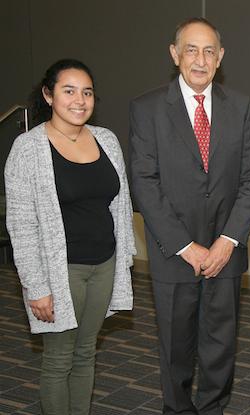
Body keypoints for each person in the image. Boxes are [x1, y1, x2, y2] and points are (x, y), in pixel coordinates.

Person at [129, 17, 250, 415]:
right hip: (174, 252)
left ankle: (214, 408)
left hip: (227, 250)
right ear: (174, 54)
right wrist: (187, 247)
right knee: (176, 346)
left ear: (220, 57)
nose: (200, 60)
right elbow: (145, 184)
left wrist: (227, 241)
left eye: (209, 51)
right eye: (191, 49)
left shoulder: (241, 107)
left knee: (221, 345)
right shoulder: (147, 108)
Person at [4, 58, 135, 415]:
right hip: (62, 273)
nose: (79, 100)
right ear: (48, 95)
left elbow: (120, 206)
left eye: (87, 92)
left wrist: (123, 260)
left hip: (104, 265)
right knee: (59, 359)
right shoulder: (28, 148)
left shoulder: (106, 139)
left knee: (86, 352)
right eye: (69, 90)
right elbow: (21, 224)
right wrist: (36, 285)